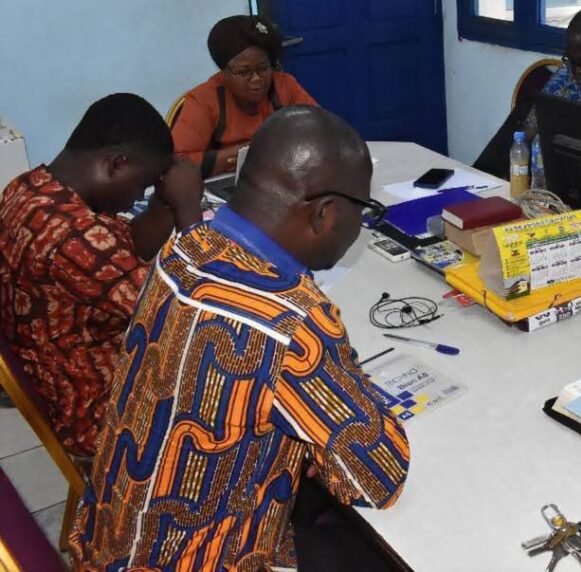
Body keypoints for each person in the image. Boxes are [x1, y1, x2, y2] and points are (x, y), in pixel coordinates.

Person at [71, 106, 408, 569]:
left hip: (113, 543)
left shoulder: (181, 250)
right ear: (324, 213)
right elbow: (379, 476)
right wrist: (346, 378)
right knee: (383, 554)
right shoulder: (293, 321)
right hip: (198, 560)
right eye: (363, 210)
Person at [0, 93, 203, 457]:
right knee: (246, 383)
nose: (139, 196)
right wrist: (190, 211)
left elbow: (123, 249)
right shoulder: (73, 237)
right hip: (102, 415)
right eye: (143, 184)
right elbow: (196, 318)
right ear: (117, 164)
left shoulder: (29, 188)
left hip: (70, 382)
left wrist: (165, 203)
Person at [473, 7, 581, 179]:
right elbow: (529, 130)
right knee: (524, 109)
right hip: (544, 181)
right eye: (572, 62)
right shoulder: (566, 74)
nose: (578, 73)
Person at [172, 14, 318, 178]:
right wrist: (249, 151)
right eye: (243, 72)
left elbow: (321, 130)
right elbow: (177, 162)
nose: (256, 79)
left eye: (263, 68)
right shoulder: (203, 100)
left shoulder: (283, 85)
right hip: (223, 185)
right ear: (224, 71)